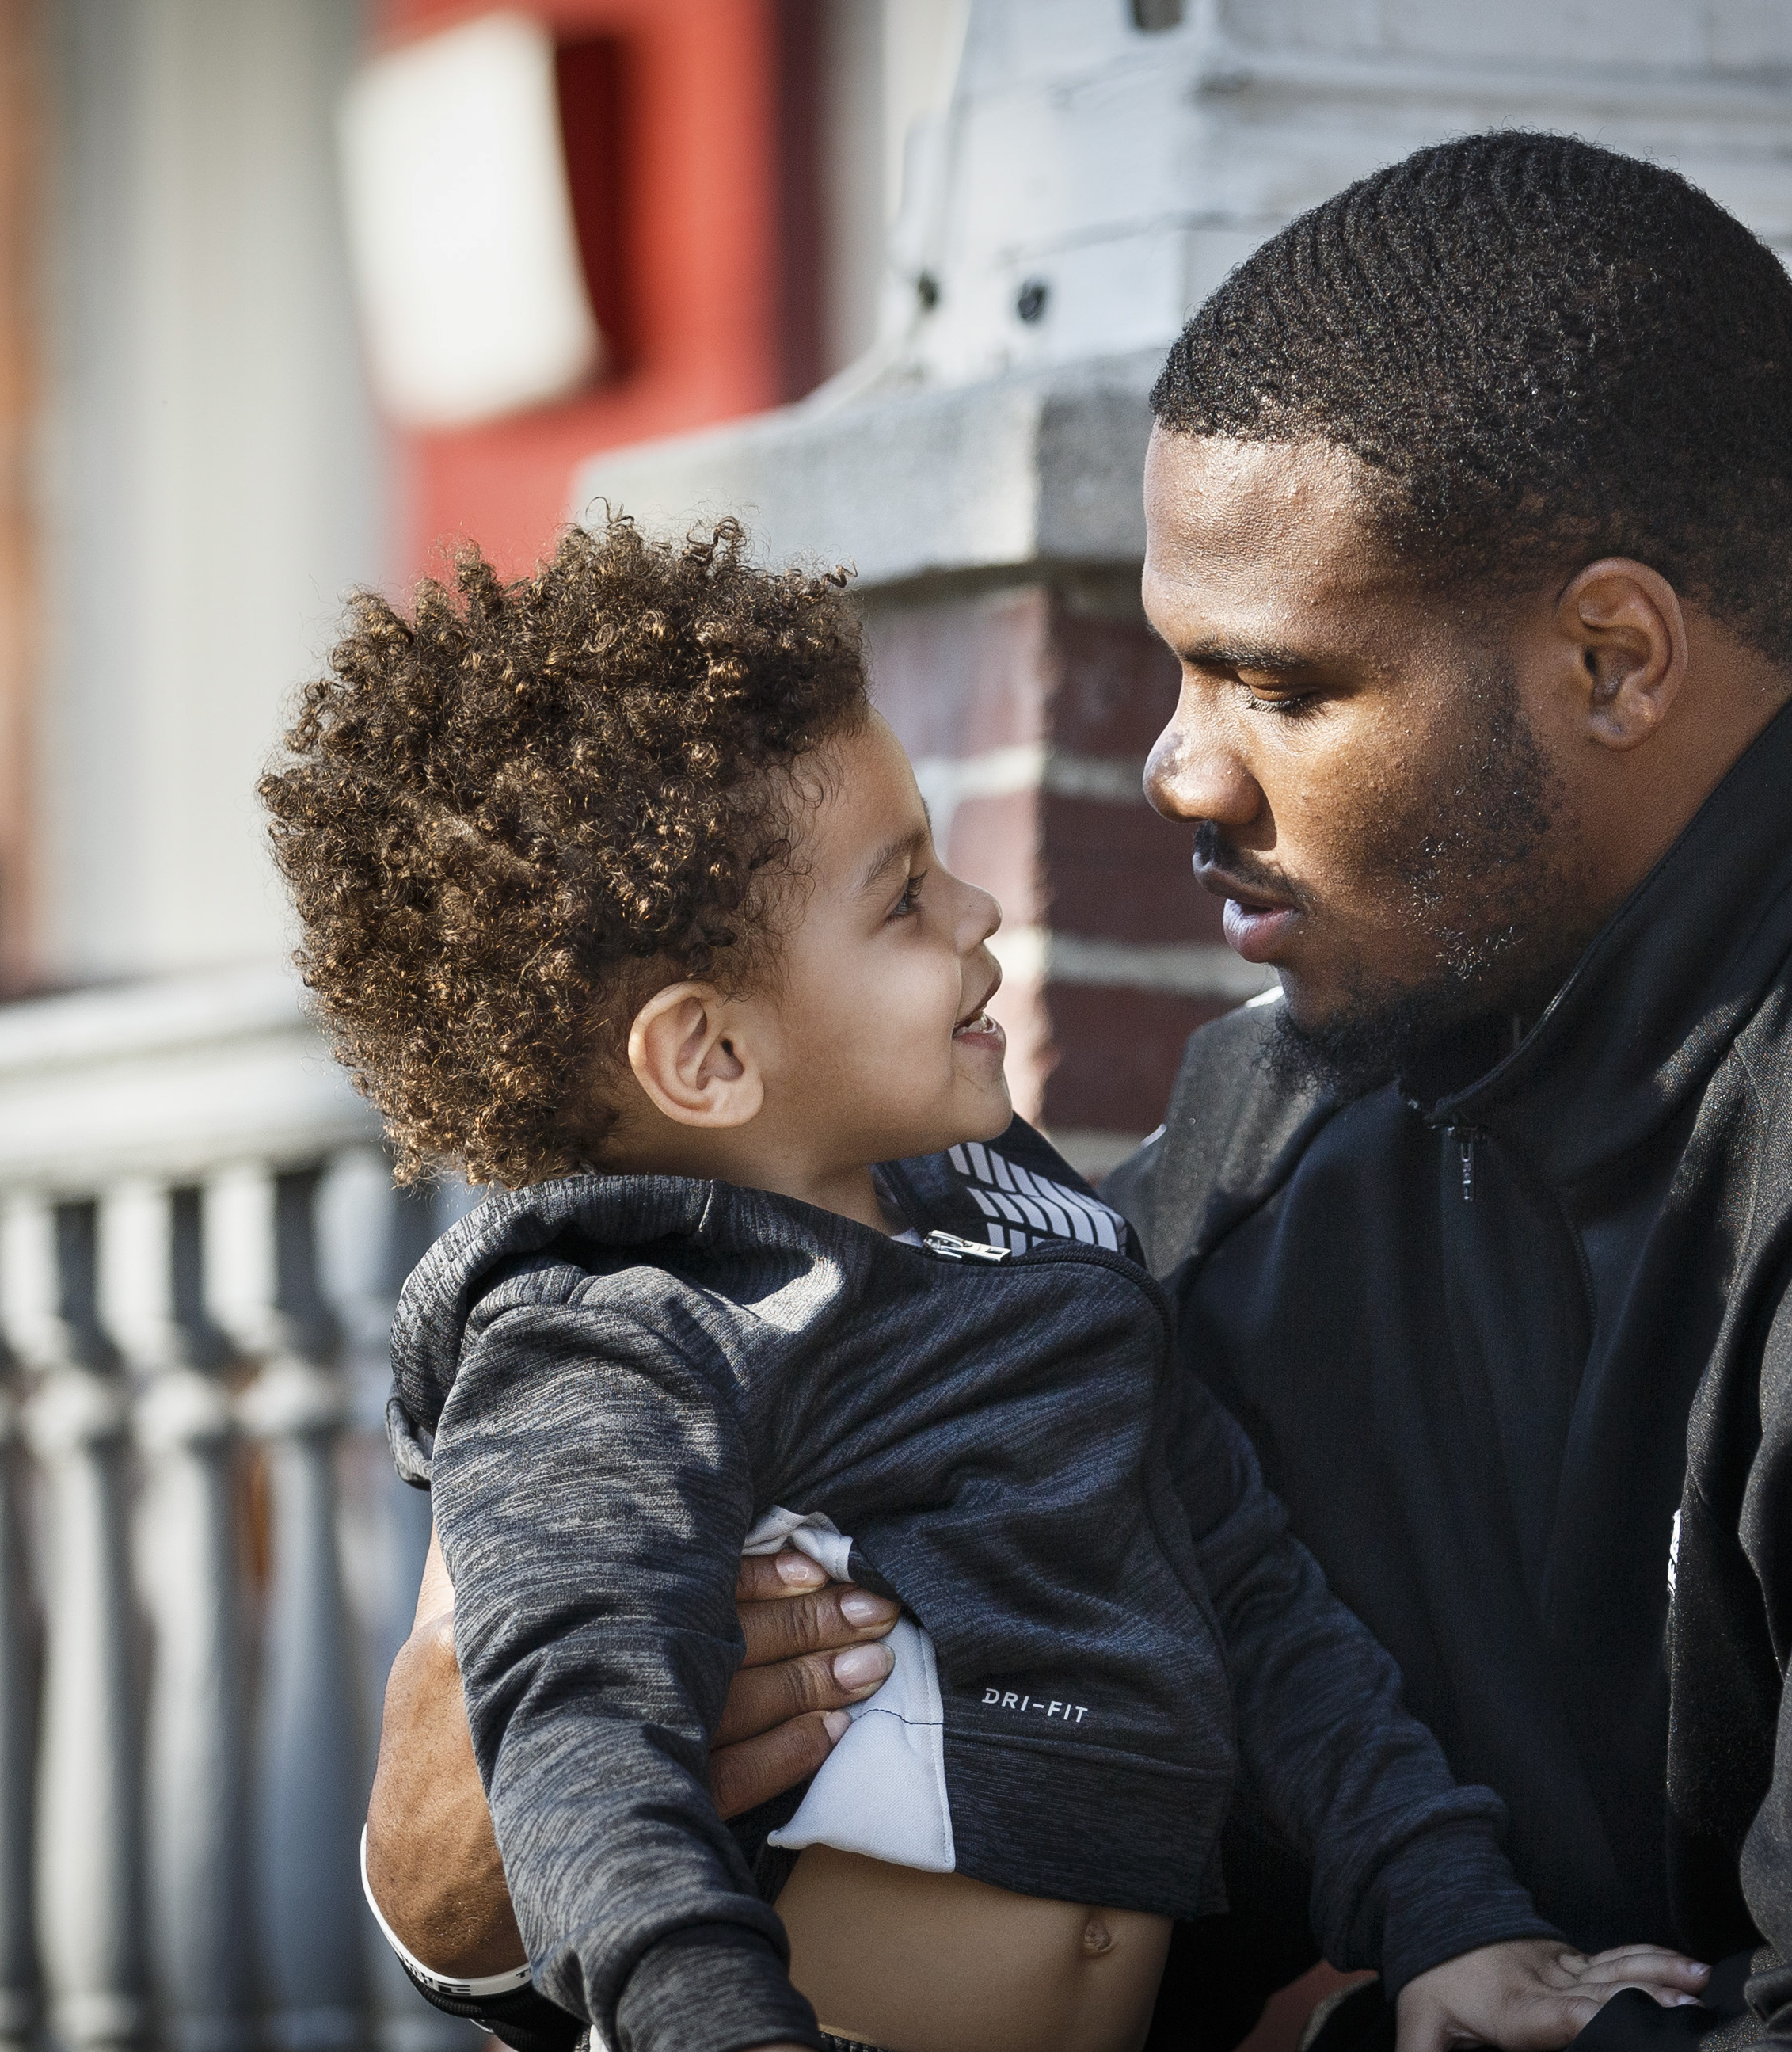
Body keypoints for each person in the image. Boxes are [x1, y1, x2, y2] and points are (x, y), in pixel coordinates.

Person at [366, 135, 1792, 2049]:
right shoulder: (1266, 1133)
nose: (1176, 769)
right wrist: (471, 1901)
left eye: (1278, 682)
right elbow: (1118, 1849)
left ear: (1609, 658)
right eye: (1170, 665)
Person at [264, 519, 1710, 2052]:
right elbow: (578, 1753)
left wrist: (1445, 1917)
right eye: (900, 900)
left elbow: (1250, 1589)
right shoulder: (606, 1343)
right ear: (707, 1055)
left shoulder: (1022, 1224)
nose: (976, 917)